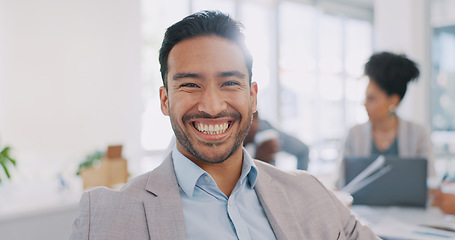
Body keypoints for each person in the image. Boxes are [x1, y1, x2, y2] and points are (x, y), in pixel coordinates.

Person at [70, 10, 379, 239]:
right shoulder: (107, 214)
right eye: (190, 85)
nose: (212, 106)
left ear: (253, 97)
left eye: (230, 82)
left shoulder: (308, 194)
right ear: (165, 100)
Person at [337, 51, 435, 187]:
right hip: (359, 208)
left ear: (393, 101)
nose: (364, 104)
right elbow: (340, 184)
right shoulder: (354, 134)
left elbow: (430, 182)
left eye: (371, 99)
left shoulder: (418, 133)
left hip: (408, 208)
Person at [244, 111, 310, 170]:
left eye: (255, 118)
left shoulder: (267, 134)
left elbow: (303, 150)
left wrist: (299, 182)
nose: (252, 125)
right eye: (247, 120)